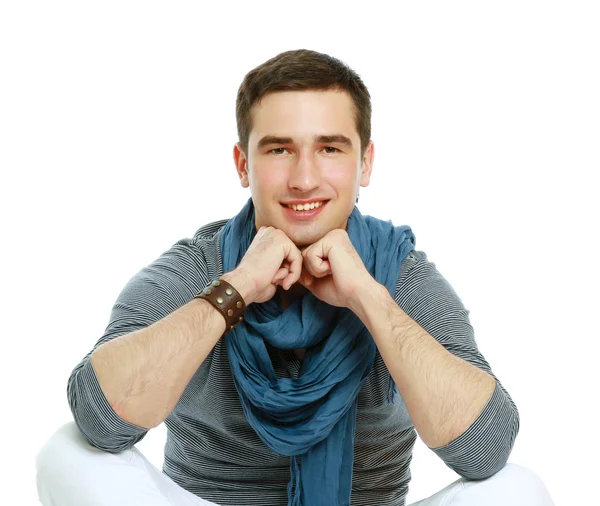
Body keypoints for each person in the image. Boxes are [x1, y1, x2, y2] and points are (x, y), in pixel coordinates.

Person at [36, 49, 554, 506]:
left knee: (519, 489)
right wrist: (234, 290)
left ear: (364, 163)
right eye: (279, 149)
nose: (305, 177)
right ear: (243, 164)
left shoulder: (401, 275)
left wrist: (367, 297)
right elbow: (98, 418)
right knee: (65, 453)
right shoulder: (197, 267)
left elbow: (486, 449)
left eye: (330, 148)